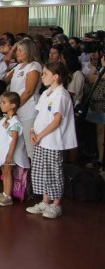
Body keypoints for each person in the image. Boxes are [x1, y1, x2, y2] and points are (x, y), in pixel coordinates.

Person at [26, 62, 78, 219]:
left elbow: (56, 121)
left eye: (45, 74)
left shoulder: (61, 95)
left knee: (53, 171)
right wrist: (33, 131)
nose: (42, 77)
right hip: (41, 140)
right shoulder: (47, 93)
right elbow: (40, 115)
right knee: (41, 170)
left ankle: (56, 204)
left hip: (52, 141)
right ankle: (45, 201)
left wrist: (40, 135)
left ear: (56, 76)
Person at [0, 92, 29, 207]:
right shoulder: (6, 119)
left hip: (9, 153)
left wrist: (10, 154)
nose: (1, 105)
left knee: (8, 172)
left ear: (13, 105)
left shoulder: (15, 122)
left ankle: (8, 196)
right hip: (3, 152)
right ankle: (5, 192)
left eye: (4, 102)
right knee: (4, 172)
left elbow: (14, 139)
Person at [5, 38, 42, 159]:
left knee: (29, 143)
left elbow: (29, 91)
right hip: (16, 109)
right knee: (16, 143)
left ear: (28, 51)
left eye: (20, 50)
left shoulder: (34, 66)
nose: (17, 53)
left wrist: (14, 106)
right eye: (17, 50)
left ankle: (35, 175)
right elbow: (4, 80)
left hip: (28, 109)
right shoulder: (18, 66)